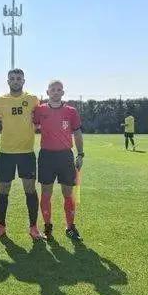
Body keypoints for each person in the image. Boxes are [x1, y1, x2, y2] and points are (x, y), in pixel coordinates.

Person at [0, 69, 44, 239]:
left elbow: (41, 119)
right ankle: (1, 226)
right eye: (12, 78)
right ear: (8, 81)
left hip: (26, 153)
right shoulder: (0, 100)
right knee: (3, 189)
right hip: (6, 152)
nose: (15, 81)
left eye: (18, 78)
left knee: (30, 189)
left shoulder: (33, 99)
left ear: (23, 81)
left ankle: (33, 227)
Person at [34, 80, 84, 241]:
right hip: (46, 156)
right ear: (47, 92)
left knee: (68, 193)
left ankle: (70, 227)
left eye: (59, 89)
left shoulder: (71, 111)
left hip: (65, 156)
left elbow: (77, 133)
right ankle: (47, 226)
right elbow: (31, 126)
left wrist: (80, 154)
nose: (56, 92)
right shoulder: (40, 110)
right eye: (53, 89)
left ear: (62, 92)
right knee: (46, 193)